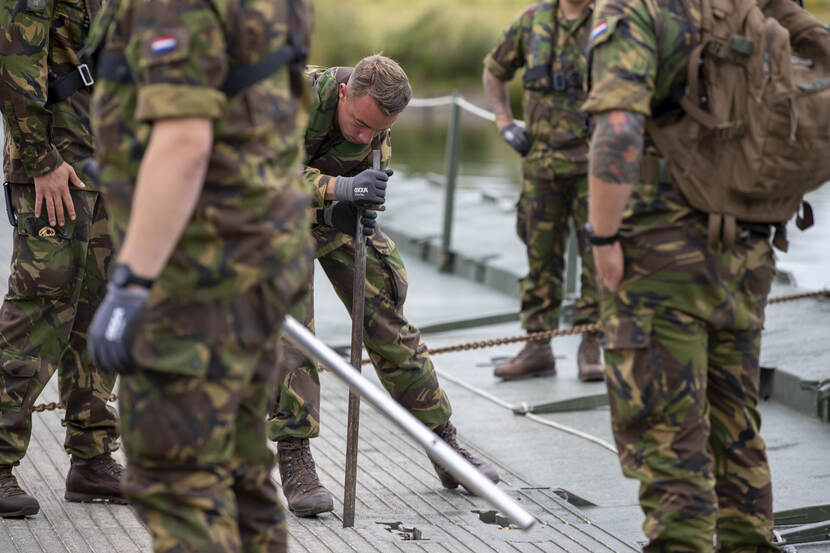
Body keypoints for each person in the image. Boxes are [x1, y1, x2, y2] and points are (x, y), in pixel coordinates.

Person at [582, 0, 829, 549]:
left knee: (670, 445)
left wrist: (602, 236)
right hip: (745, 251)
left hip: (660, 256)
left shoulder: (635, 10)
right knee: (736, 430)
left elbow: (619, 128)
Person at [84, 0, 313, 550]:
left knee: (175, 475)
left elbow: (185, 143)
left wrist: (132, 283)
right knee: (239, 473)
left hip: (199, 273)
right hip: (261, 256)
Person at [268, 55, 500, 518]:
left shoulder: (375, 128)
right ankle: (295, 456)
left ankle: (444, 444)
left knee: (390, 326)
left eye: (377, 131)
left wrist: (356, 205)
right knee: (292, 331)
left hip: (334, 220)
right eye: (358, 125)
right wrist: (338, 192)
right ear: (343, 92)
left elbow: (363, 182)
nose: (365, 138)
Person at [0, 0, 124, 517]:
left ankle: (93, 458)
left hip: (108, 164)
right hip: (56, 167)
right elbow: (14, 59)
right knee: (38, 312)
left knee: (100, 312)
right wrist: (39, 159)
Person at [482, 0, 604, 383]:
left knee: (597, 255)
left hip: (594, 166)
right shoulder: (532, 21)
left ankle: (592, 346)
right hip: (541, 166)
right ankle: (538, 347)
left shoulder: (608, 20)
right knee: (540, 259)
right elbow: (494, 70)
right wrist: (504, 122)